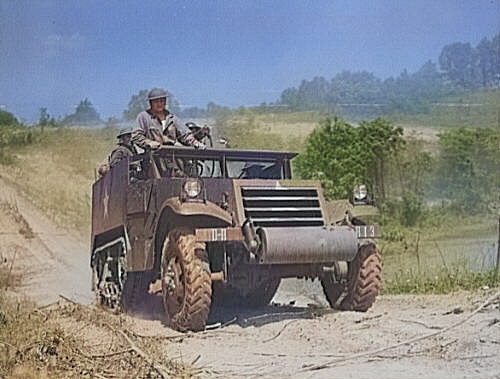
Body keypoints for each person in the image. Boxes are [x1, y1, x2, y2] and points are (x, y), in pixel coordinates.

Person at [132, 88, 206, 150]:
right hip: (152, 159)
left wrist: (196, 143)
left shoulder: (172, 119)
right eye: (156, 101)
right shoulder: (144, 117)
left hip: (173, 159)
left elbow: (185, 135)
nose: (159, 104)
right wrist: (148, 143)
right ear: (150, 103)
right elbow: (136, 136)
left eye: (162, 101)